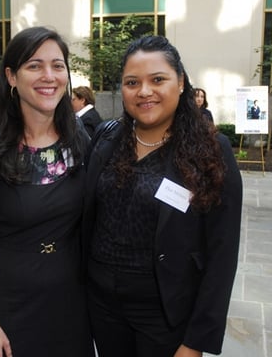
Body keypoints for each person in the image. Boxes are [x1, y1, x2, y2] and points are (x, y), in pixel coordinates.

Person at [82, 35, 242, 356]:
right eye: (132, 82)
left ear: (180, 82)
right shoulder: (106, 138)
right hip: (102, 307)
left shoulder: (211, 151)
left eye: (158, 79)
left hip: (164, 313)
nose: (144, 91)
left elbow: (222, 253)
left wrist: (196, 340)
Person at [0, 26, 93, 357]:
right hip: (10, 305)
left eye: (58, 65)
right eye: (34, 65)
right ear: (11, 77)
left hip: (71, 302)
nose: (49, 76)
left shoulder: (80, 142)